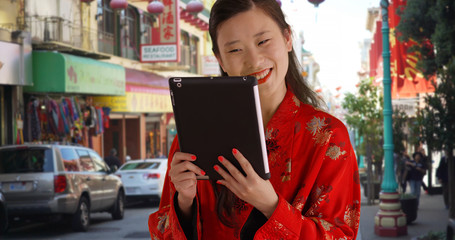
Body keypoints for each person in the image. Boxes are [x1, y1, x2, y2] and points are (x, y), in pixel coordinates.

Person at [148, 0, 360, 239]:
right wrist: (184, 202)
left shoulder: (329, 137)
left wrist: (270, 205)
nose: (254, 60)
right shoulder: (193, 138)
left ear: (287, 38)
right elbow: (163, 231)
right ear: (220, 59)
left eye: (263, 41)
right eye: (235, 50)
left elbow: (341, 235)